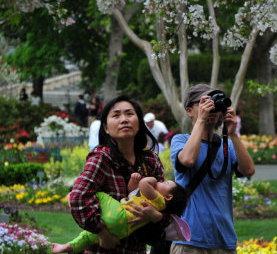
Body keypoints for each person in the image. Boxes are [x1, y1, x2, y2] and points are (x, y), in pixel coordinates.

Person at [68, 94, 170, 253]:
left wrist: (155, 216)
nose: (124, 119)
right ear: (106, 128)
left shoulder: (150, 161)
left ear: (139, 122)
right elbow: (78, 197)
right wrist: (102, 232)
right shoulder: (102, 159)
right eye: (116, 115)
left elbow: (168, 208)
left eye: (130, 114)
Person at [170, 84, 255, 253]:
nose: (212, 108)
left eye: (215, 103)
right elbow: (187, 160)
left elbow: (248, 171)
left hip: (224, 240)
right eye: (205, 102)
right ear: (189, 110)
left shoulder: (228, 145)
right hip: (189, 241)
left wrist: (233, 134)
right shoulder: (180, 141)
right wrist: (201, 120)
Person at [52, 173, 188, 253]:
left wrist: (150, 180)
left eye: (165, 183)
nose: (160, 181)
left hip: (120, 215)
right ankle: (67, 247)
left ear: (168, 197)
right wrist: (133, 181)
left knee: (98, 194)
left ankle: (76, 199)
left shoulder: (159, 201)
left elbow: (144, 185)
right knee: (88, 236)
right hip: (122, 231)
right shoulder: (153, 199)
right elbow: (133, 192)